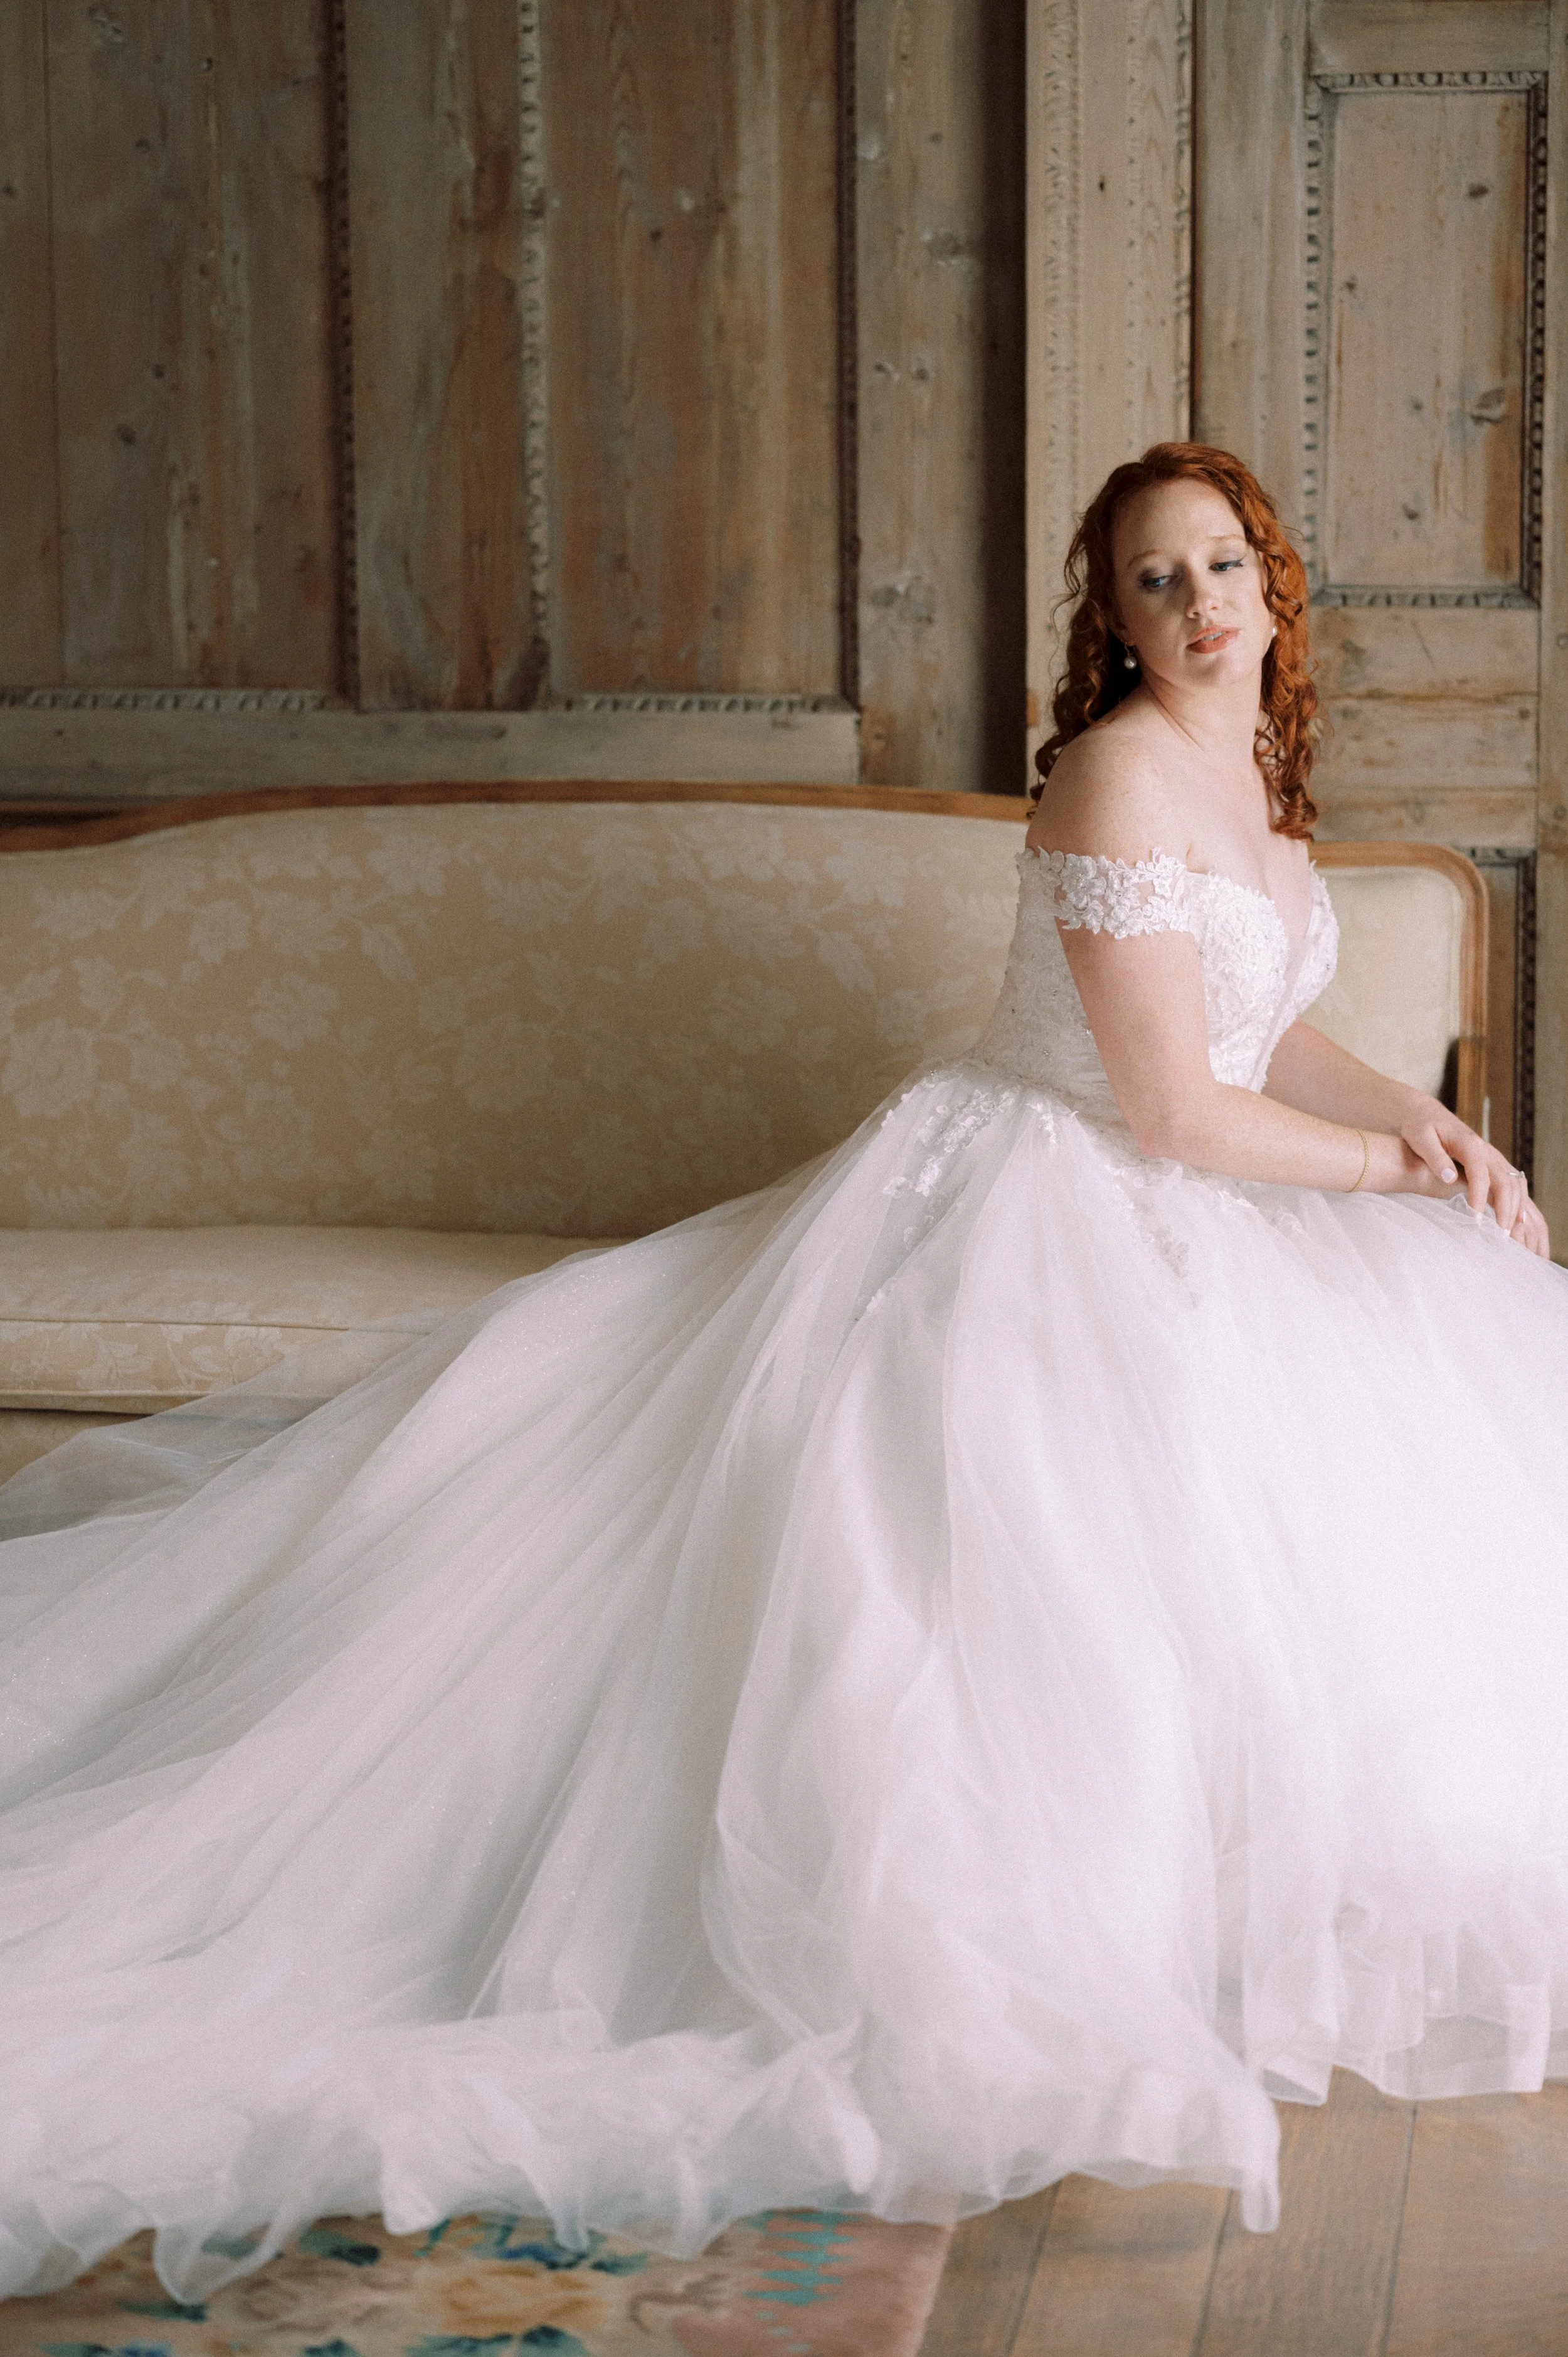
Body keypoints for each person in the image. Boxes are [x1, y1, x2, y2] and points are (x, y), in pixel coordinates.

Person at [1, 443, 1565, 2305]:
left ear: (1272, 581)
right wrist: (1392, 1172)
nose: (1200, 602)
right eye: (1157, 579)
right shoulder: (1116, 770)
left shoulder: (1249, 772)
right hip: (1043, 1197)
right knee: (991, 1552)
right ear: (1114, 618)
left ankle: (1255, 1910)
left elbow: (1261, 1027)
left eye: (1223, 563)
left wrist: (1429, 1127)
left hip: (1201, 1203)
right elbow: (1165, 1105)